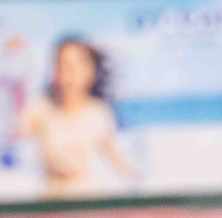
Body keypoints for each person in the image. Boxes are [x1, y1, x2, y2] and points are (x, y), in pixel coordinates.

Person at [19, 38, 135, 197]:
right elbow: (11, 141)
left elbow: (112, 154)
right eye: (64, 65)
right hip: (49, 196)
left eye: (78, 65)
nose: (71, 73)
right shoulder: (40, 108)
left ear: (90, 71)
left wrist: (140, 186)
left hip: (86, 197)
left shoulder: (98, 111)